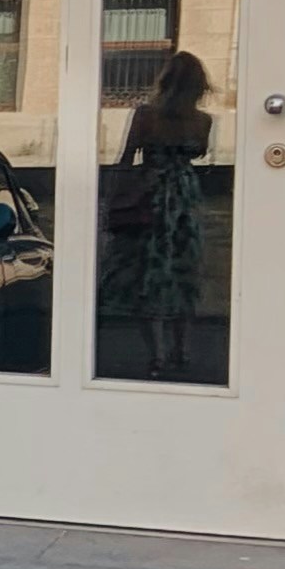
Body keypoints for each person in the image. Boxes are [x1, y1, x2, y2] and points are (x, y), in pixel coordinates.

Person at [101, 51, 212, 377]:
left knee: (147, 276)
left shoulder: (145, 115)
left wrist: (113, 199)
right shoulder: (203, 121)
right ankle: (183, 350)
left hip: (147, 196)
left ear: (165, 79)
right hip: (184, 199)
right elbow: (199, 153)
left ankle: (157, 356)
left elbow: (126, 158)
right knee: (183, 274)